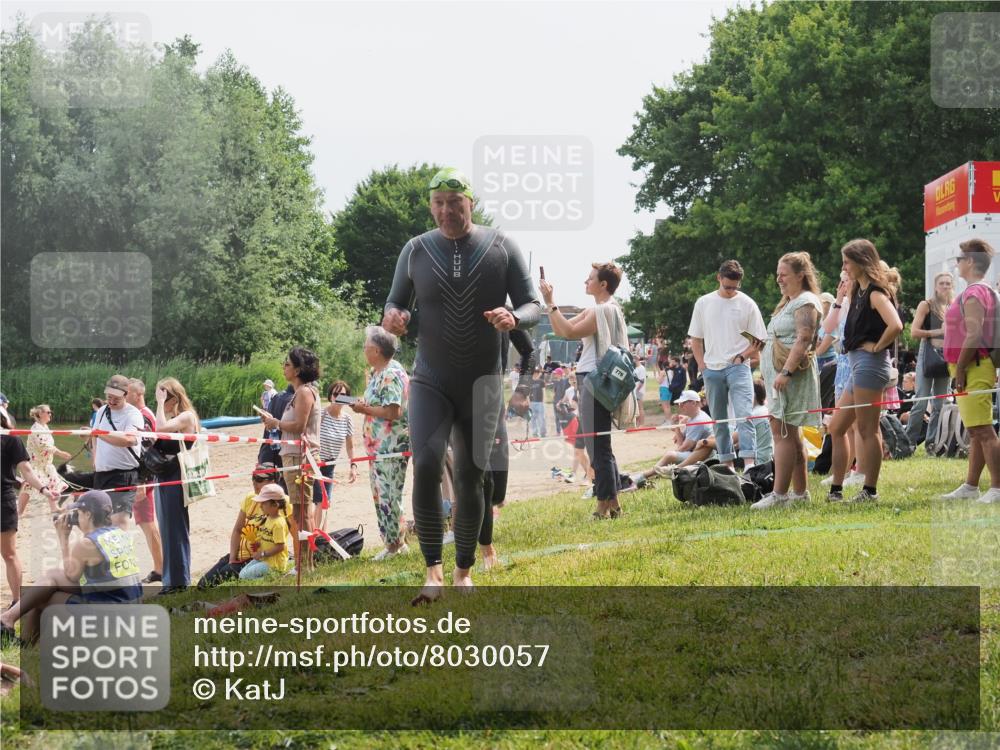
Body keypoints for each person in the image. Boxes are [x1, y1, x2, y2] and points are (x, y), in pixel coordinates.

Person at [382, 167, 540, 602]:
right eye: (438, 203)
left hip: (483, 383)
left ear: (471, 203)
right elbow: (395, 303)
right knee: (428, 465)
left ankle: (463, 571)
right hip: (430, 378)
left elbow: (533, 304)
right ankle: (431, 572)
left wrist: (515, 318)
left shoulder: (501, 246)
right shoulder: (415, 250)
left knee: (472, 476)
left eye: (455, 202)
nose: (446, 210)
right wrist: (392, 317)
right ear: (431, 206)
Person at [541, 262, 627, 520]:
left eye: (590, 278)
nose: (585, 282)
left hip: (594, 379)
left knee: (596, 445)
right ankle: (614, 504)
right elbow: (560, 330)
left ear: (603, 284)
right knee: (601, 445)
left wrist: (550, 300)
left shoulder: (602, 311)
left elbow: (567, 331)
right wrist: (550, 304)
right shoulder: (601, 310)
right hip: (596, 380)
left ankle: (602, 505)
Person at [0, 490, 141, 646]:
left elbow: (71, 575)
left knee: (42, 597)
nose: (76, 517)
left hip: (109, 621)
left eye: (79, 513)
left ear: (88, 514)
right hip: (130, 612)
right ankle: (10, 623)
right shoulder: (119, 533)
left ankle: (13, 629)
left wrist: (63, 538)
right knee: (50, 578)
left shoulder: (87, 544)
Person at [826, 240, 903, 502]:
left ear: (861, 261)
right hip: (858, 364)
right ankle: (836, 489)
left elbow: (896, 325)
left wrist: (877, 347)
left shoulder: (875, 293)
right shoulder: (857, 292)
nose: (844, 267)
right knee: (837, 427)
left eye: (847, 262)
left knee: (867, 430)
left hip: (871, 365)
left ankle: (870, 490)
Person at [751, 252, 823, 509]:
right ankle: (800, 494)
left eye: (784, 274)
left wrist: (786, 373)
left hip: (790, 378)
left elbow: (805, 337)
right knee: (791, 436)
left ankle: (779, 495)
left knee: (781, 434)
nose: (778, 278)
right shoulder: (788, 302)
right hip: (780, 378)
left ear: (800, 275)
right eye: (778, 274)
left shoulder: (806, 301)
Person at [688, 260, 767, 469]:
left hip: (738, 366)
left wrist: (743, 356)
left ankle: (750, 464)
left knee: (744, 415)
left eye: (735, 287)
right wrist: (702, 366)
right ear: (719, 278)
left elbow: (760, 340)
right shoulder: (703, 303)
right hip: (712, 369)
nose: (732, 291)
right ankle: (727, 464)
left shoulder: (748, 304)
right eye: (728, 286)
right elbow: (695, 339)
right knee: (720, 421)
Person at [940, 239, 1000, 503]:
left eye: (960, 259)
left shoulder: (975, 292)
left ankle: (997, 488)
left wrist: (961, 368)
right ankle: (971, 486)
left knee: (984, 430)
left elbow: (974, 334)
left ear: (971, 262)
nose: (957, 263)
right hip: (971, 365)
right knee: (976, 430)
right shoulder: (976, 291)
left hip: (974, 366)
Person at [349, 326, 411, 561]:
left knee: (389, 495)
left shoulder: (391, 373)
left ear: (375, 350)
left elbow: (393, 411)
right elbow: (381, 404)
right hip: (378, 448)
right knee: (380, 495)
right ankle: (393, 543)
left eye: (366, 346)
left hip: (391, 447)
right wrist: (365, 404)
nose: (364, 350)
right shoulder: (378, 372)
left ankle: (395, 545)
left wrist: (364, 409)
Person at [260, 347, 321, 571]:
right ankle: (305, 563)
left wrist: (276, 423)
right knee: (299, 511)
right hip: (293, 456)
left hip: (300, 457)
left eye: (287, 364)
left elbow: (299, 426)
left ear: (297, 369)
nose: (283, 367)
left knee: (301, 512)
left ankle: (305, 565)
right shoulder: (298, 393)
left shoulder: (304, 392)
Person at [197, 463, 293, 587]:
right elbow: (237, 530)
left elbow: (295, 534)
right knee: (203, 584)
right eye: (253, 478)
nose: (254, 483)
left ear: (273, 482)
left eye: (259, 479)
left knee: (226, 574)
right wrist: (232, 558)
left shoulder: (283, 503)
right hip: (239, 553)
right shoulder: (250, 498)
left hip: (257, 557)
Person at [1, 406, 60, 607]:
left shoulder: (11, 439)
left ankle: (17, 600)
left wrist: (44, 489)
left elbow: (27, 471)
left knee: (8, 554)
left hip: (3, 500)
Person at [153, 377, 200, 594]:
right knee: (167, 529)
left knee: (176, 530)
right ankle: (171, 580)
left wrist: (159, 404)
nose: (161, 400)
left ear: (173, 397)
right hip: (165, 476)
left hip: (176, 477)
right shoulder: (177, 417)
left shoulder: (186, 416)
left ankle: (179, 581)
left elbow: (160, 428)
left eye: (163, 396)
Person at [907, 272, 954, 454]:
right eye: (941, 283)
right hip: (928, 354)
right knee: (920, 401)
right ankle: (908, 443)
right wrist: (937, 332)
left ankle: (933, 445)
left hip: (947, 356)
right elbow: (914, 332)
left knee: (940, 405)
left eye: (948, 284)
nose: (945, 287)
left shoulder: (953, 306)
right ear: (935, 286)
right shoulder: (926, 305)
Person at [92, 374, 146, 530]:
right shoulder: (102, 411)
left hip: (124, 475)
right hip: (101, 474)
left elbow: (128, 440)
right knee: (100, 522)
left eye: (116, 397)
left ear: (126, 395)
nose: (112, 400)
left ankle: (120, 554)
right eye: (109, 396)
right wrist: (95, 459)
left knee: (119, 521)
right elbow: (94, 437)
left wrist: (99, 433)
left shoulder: (133, 414)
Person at [630, 390, 716, 484]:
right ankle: (649, 474)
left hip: (704, 456)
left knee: (670, 455)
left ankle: (643, 476)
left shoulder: (698, 421)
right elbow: (681, 445)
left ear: (694, 403)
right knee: (670, 456)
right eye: (679, 404)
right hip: (695, 453)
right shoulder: (692, 418)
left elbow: (684, 447)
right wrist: (677, 427)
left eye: (683, 403)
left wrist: (673, 454)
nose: (680, 406)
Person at [125, 379, 164, 584]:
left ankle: (160, 568)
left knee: (149, 524)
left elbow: (146, 451)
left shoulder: (142, 416)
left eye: (127, 392)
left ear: (138, 394)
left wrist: (142, 481)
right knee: (146, 523)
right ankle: (159, 567)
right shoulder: (141, 415)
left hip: (144, 478)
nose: (124, 396)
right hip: (142, 478)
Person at [314, 381, 359, 531]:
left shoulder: (347, 419)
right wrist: (316, 457)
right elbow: (309, 437)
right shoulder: (321, 414)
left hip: (330, 465)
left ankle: (321, 537)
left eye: (344, 395)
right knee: (320, 501)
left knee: (326, 502)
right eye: (336, 394)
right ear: (330, 396)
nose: (339, 397)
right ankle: (317, 536)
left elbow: (350, 446)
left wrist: (353, 466)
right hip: (315, 463)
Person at [16, 404, 70, 517]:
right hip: (35, 464)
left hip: (45, 464)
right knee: (28, 487)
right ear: (40, 414)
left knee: (53, 483)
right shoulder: (36, 428)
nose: (50, 414)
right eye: (48, 412)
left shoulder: (44, 427)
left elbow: (48, 445)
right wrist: (60, 453)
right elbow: (44, 445)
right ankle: (19, 512)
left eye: (50, 412)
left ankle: (54, 508)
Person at [238, 483, 294, 579]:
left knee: (244, 576)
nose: (260, 506)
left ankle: (277, 576)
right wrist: (258, 544)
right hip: (265, 559)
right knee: (241, 574)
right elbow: (267, 538)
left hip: (274, 563)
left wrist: (263, 553)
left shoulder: (278, 523)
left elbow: (280, 546)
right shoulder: (268, 518)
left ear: (275, 505)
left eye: (263, 503)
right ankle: (273, 576)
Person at [751, 379, 774, 464]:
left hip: (758, 461)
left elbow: (733, 440)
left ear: (754, 395)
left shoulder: (754, 414)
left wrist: (707, 442)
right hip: (770, 458)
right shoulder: (767, 409)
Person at [528, 368, 547, 438]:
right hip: (532, 402)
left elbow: (544, 391)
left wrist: (544, 401)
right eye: (534, 372)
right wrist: (528, 402)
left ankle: (543, 432)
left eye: (537, 372)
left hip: (540, 402)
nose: (536, 373)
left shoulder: (541, 381)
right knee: (533, 418)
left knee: (541, 418)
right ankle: (535, 432)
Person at [633, 359, 647, 426]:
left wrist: (637, 390)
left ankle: (642, 424)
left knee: (640, 407)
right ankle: (637, 423)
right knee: (636, 408)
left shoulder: (641, 368)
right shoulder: (635, 368)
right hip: (635, 390)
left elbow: (642, 381)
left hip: (639, 390)